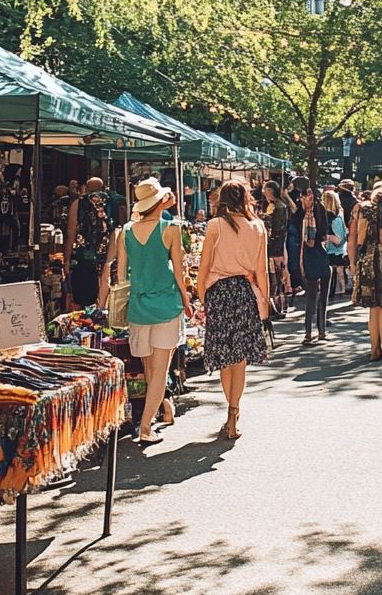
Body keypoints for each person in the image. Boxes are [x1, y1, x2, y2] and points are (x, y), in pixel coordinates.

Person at [98, 178, 193, 445]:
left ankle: (163, 407)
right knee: (160, 369)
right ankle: (145, 427)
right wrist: (187, 301)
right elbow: (179, 272)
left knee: (150, 367)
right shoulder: (171, 229)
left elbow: (122, 275)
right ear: (160, 201)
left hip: (139, 306)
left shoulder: (125, 231)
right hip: (166, 304)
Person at [197, 180, 268, 440]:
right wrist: (265, 302)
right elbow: (261, 271)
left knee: (225, 358)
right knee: (241, 360)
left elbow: (204, 266)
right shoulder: (258, 226)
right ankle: (233, 411)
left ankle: (230, 410)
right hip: (246, 292)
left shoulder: (215, 226)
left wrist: (202, 296)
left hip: (219, 292)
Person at [349, 180, 382, 361]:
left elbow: (356, 238)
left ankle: (374, 348)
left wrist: (353, 262)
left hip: (367, 260)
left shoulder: (362, 210)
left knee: (373, 307)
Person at [65, 177, 117, 309]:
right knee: (108, 303)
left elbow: (71, 234)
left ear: (86, 188)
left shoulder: (78, 204)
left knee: (85, 303)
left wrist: (66, 260)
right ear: (103, 187)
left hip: (83, 259)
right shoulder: (114, 203)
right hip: (109, 259)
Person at [295, 185, 331, 344]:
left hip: (309, 256)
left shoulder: (300, 213)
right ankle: (321, 330)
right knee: (322, 296)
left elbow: (296, 233)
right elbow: (324, 233)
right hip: (321, 255)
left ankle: (309, 333)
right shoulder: (320, 209)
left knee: (311, 297)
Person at [261, 181, 293, 319]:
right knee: (274, 279)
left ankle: (278, 308)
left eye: (265, 189)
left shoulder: (280, 207)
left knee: (277, 280)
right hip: (274, 247)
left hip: (275, 249)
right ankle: (275, 307)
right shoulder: (273, 206)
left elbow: (279, 230)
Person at [322, 188, 349, 299]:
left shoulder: (335, 219)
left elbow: (339, 239)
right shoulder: (337, 217)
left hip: (335, 250)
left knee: (338, 270)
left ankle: (340, 290)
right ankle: (340, 290)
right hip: (335, 250)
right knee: (338, 270)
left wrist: (326, 237)